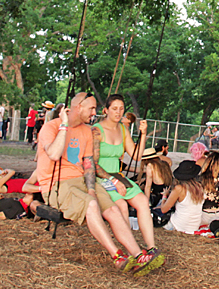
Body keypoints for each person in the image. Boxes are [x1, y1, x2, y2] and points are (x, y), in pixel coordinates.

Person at [35, 92, 163, 275]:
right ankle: (117, 256)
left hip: (81, 180)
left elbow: (88, 164)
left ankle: (138, 255)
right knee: (92, 205)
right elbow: (54, 154)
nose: (94, 113)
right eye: (92, 108)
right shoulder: (51, 127)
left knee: (112, 209)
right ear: (78, 107)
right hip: (57, 184)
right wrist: (64, 125)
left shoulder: (87, 131)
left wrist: (92, 188)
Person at [94, 95, 156, 250]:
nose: (118, 112)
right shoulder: (96, 130)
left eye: (121, 109)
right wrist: (113, 181)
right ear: (106, 110)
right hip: (101, 176)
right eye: (114, 108)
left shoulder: (123, 129)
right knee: (121, 205)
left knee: (142, 201)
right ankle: (133, 250)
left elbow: (136, 156)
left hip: (117, 175)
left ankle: (151, 247)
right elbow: (93, 164)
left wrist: (143, 135)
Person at [158, 160, 206, 233]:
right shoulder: (200, 187)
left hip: (179, 225)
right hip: (194, 226)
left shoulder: (179, 188)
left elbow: (164, 209)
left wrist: (164, 196)